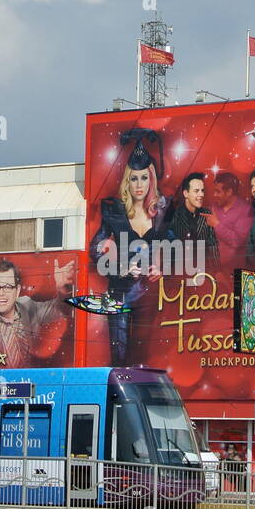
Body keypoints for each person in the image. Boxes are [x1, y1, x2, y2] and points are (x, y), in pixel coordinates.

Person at [89, 127, 171, 364]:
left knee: (146, 354)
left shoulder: (162, 211)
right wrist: (122, 267)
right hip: (120, 293)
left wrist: (161, 265)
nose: (139, 184)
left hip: (152, 296)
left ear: (151, 178)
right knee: (121, 354)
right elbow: (96, 249)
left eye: (144, 177)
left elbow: (178, 244)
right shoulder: (115, 212)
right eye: (134, 178)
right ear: (127, 179)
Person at [0, 259, 76, 368]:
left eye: (7, 287)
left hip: (27, 382)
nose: (1, 293)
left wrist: (62, 290)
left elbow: (59, 309)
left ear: (17, 290)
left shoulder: (27, 306)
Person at [168, 172, 219, 273]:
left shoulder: (207, 215)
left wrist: (218, 272)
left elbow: (212, 246)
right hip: (179, 273)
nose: (201, 194)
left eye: (202, 191)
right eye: (196, 191)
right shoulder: (174, 215)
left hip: (203, 272)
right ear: (185, 193)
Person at [206, 172, 253, 272]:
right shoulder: (214, 206)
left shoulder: (246, 210)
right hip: (212, 270)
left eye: (218, 192)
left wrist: (216, 224)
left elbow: (237, 241)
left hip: (234, 272)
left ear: (229, 192)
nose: (214, 195)